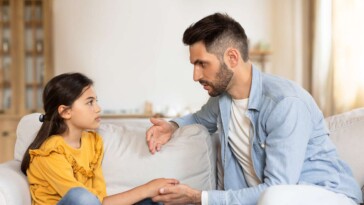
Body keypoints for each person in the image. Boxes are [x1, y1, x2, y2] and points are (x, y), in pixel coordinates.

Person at [146, 13, 363, 205]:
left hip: (330, 195)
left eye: (202, 64)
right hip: (272, 199)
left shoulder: (285, 103)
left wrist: (200, 198)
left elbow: (278, 188)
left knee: (274, 197)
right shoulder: (222, 101)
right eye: (194, 65)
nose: (195, 76)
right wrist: (172, 126)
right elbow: (198, 119)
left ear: (232, 58)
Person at [21, 73, 179, 205]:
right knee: (81, 196)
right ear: (65, 112)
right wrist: (146, 188)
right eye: (90, 102)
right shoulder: (50, 153)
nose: (98, 108)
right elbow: (86, 201)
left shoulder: (93, 142)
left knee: (154, 200)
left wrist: (149, 192)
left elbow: (100, 198)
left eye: (96, 101)